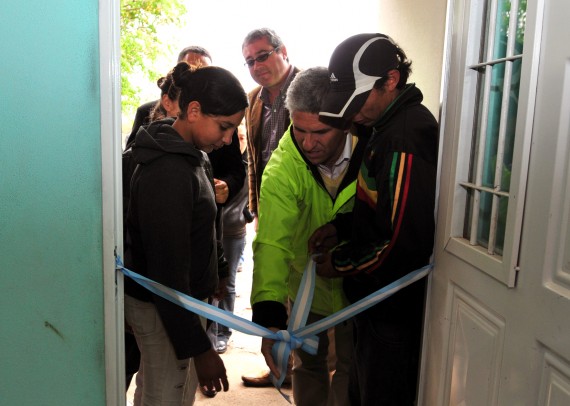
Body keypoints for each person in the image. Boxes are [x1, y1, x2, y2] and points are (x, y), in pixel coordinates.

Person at [309, 34, 439, 405]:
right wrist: (341, 228)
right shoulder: (382, 127)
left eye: (358, 99)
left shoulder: (405, 136)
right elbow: (381, 208)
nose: (351, 114)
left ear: (391, 80)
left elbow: (402, 243)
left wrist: (342, 262)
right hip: (374, 303)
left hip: (393, 311)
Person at [123, 63, 248, 405]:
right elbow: (167, 274)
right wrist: (199, 349)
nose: (226, 140)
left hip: (183, 301)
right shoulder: (167, 171)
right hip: (164, 305)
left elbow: (206, 225)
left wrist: (219, 270)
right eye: (224, 127)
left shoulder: (194, 157)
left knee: (159, 389)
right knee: (167, 396)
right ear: (193, 111)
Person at [251, 67, 368, 406]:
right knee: (308, 365)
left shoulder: (372, 152)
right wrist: (270, 317)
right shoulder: (283, 167)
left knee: (351, 366)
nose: (307, 142)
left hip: (357, 286)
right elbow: (272, 241)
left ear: (344, 123)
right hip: (305, 289)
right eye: (298, 130)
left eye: (319, 132)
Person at [240, 26, 300, 388]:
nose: (257, 65)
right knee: (272, 284)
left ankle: (314, 368)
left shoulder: (312, 88)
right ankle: (281, 365)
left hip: (306, 207)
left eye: (262, 55)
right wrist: (253, 204)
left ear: (283, 51)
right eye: (249, 61)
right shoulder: (253, 99)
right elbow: (255, 159)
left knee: (306, 287)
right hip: (268, 207)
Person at [207, 121, 252, 356]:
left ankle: (223, 332)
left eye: (238, 136)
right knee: (210, 282)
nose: (230, 139)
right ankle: (210, 333)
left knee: (228, 282)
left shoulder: (241, 168)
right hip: (210, 230)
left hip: (233, 232)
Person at [125, 46, 213, 148]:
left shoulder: (220, 120)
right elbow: (130, 157)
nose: (197, 78)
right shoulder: (145, 111)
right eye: (191, 69)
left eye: (204, 72)